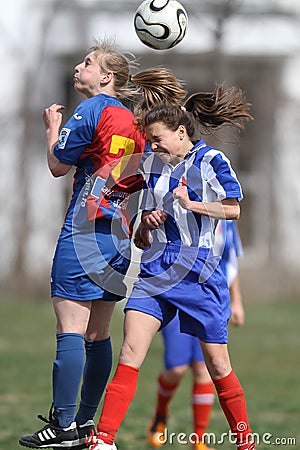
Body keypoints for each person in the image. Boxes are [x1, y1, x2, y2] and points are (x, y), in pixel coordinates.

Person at [19, 38, 187, 450]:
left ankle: (61, 426)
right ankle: (86, 424)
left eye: (88, 63)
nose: (79, 67)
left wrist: (52, 128)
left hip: (84, 229)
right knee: (98, 333)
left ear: (107, 77)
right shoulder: (136, 122)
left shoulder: (94, 109)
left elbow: (59, 165)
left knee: (70, 329)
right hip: (118, 235)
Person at [86, 87, 256, 450]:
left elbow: (233, 210)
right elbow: (141, 234)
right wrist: (145, 223)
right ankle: (103, 440)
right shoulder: (150, 166)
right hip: (155, 269)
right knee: (130, 353)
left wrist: (193, 205)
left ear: (181, 133)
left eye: (158, 139)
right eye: (150, 140)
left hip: (200, 271)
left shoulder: (212, 161)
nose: (154, 146)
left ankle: (245, 442)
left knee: (217, 366)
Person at [147, 220, 245, 450]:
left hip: (209, 299)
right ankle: (161, 413)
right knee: (176, 368)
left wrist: (237, 300)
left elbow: (230, 262)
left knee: (205, 369)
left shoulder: (226, 219)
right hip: (176, 294)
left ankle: (199, 440)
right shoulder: (181, 202)